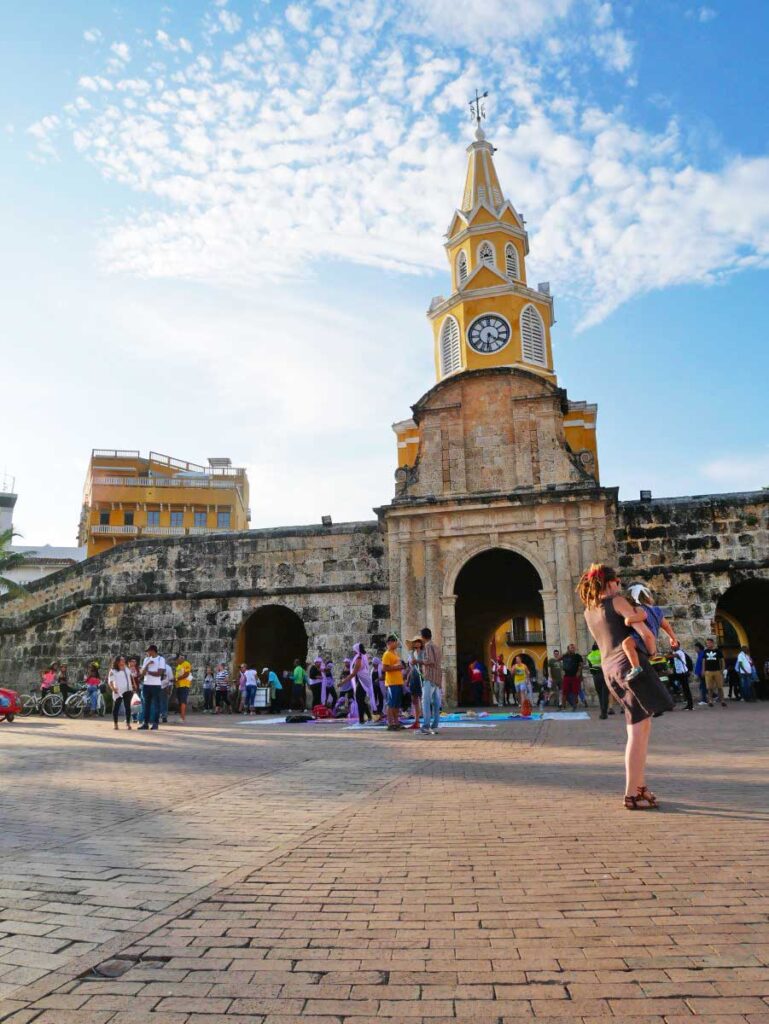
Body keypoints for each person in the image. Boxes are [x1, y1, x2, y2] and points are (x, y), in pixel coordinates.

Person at [578, 563, 673, 810]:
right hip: (629, 664)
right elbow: (646, 634)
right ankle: (633, 792)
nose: (620, 586)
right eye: (618, 582)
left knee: (636, 728)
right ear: (610, 583)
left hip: (610, 669)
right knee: (640, 731)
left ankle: (638, 788)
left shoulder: (589, 611)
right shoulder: (617, 601)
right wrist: (652, 652)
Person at [420, 627, 443, 735]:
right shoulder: (437, 647)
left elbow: (430, 661)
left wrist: (418, 661)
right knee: (436, 702)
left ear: (423, 637)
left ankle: (426, 725)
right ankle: (435, 724)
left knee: (426, 702)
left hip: (429, 677)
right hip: (437, 677)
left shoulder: (428, 646)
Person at [139, 645, 166, 730]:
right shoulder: (146, 659)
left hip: (156, 685)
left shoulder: (160, 659)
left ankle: (155, 723)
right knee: (146, 705)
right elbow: (142, 674)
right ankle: (145, 723)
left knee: (156, 705)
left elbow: (159, 673)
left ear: (153, 651)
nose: (147, 653)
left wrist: (148, 672)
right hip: (146, 684)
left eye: (148, 651)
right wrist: (147, 665)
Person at [381, 634, 405, 730]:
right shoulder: (386, 654)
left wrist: (401, 666)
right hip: (391, 683)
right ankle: (390, 723)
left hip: (398, 682)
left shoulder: (395, 653)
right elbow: (384, 668)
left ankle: (396, 722)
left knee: (396, 704)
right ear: (389, 643)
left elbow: (398, 665)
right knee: (391, 704)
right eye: (395, 642)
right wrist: (397, 667)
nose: (396, 643)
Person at [350, 643, 375, 724]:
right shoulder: (361, 657)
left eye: (354, 650)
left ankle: (362, 719)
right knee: (360, 700)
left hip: (361, 681)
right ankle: (368, 716)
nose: (353, 652)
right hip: (361, 680)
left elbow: (354, 672)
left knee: (359, 700)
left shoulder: (359, 658)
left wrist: (343, 682)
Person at [108, 655, 133, 731]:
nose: (124, 661)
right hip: (118, 691)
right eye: (122, 660)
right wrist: (113, 688)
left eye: (123, 659)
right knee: (116, 707)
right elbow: (110, 681)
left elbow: (130, 677)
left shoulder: (126, 669)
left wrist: (133, 685)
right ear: (118, 661)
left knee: (128, 707)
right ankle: (115, 724)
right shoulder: (113, 670)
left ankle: (128, 723)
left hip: (128, 690)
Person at [405, 636, 424, 731]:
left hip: (422, 677)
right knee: (414, 699)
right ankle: (417, 721)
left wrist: (418, 662)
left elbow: (427, 664)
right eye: (415, 642)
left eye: (418, 641)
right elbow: (410, 668)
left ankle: (425, 721)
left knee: (422, 699)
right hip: (413, 677)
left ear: (421, 643)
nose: (416, 643)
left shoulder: (424, 653)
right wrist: (407, 680)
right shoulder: (411, 654)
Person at [587, 643, 610, 719]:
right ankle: (604, 712)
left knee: (600, 694)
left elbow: (591, 669)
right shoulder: (602, 653)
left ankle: (602, 711)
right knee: (605, 694)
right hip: (604, 674)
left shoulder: (589, 655)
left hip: (596, 676)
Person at [702, 638, 726, 708]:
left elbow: (722, 660)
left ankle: (722, 700)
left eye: (709, 643)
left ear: (712, 643)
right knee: (709, 688)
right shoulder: (705, 651)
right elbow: (704, 661)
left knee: (720, 687)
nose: (708, 644)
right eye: (707, 643)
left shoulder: (718, 651)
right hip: (708, 671)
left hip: (717, 671)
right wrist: (703, 670)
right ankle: (710, 701)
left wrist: (722, 669)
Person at [560, 644, 583, 711]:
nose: (573, 648)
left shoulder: (577, 656)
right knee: (564, 691)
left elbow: (581, 665)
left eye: (573, 647)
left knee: (575, 692)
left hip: (574, 676)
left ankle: (574, 706)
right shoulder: (565, 655)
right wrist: (565, 653)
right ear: (568, 649)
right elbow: (557, 659)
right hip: (566, 676)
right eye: (571, 648)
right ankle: (563, 706)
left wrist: (579, 672)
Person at [174, 653, 193, 723]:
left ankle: (183, 718)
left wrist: (176, 679)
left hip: (184, 685)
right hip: (179, 686)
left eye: (177, 660)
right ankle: (181, 717)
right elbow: (178, 675)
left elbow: (186, 674)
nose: (176, 661)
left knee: (183, 701)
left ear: (181, 658)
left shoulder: (186, 664)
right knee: (180, 702)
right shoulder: (178, 666)